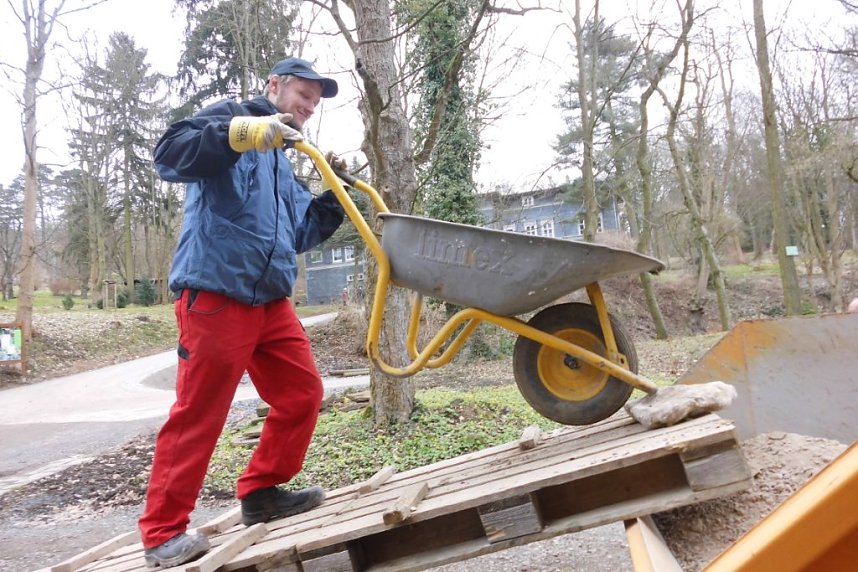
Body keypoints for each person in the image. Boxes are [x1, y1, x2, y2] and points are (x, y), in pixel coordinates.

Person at [138, 57, 345, 568]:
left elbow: (297, 234)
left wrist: (331, 198)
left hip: (270, 303)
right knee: (200, 412)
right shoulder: (231, 119)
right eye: (304, 93)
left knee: (301, 394)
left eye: (316, 102)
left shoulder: (284, 162)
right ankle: (162, 533)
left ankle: (261, 492)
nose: (309, 106)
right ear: (274, 85)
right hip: (214, 292)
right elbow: (168, 155)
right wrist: (246, 132)